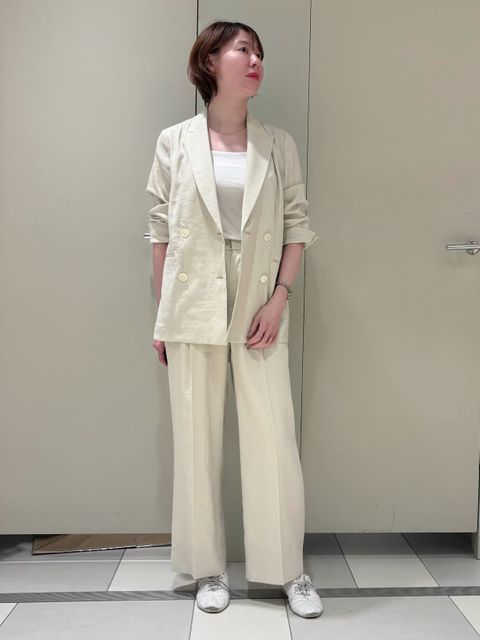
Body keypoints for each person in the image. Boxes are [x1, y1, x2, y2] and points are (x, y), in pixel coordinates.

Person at [146, 20, 323, 619]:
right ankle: (207, 569)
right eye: (243, 49)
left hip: (258, 300)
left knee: (273, 436)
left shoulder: (278, 144)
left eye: (259, 53)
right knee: (195, 438)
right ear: (210, 61)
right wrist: (163, 317)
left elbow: (297, 225)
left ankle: (288, 570)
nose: (255, 60)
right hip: (191, 300)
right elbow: (159, 232)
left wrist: (279, 299)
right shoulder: (174, 142)